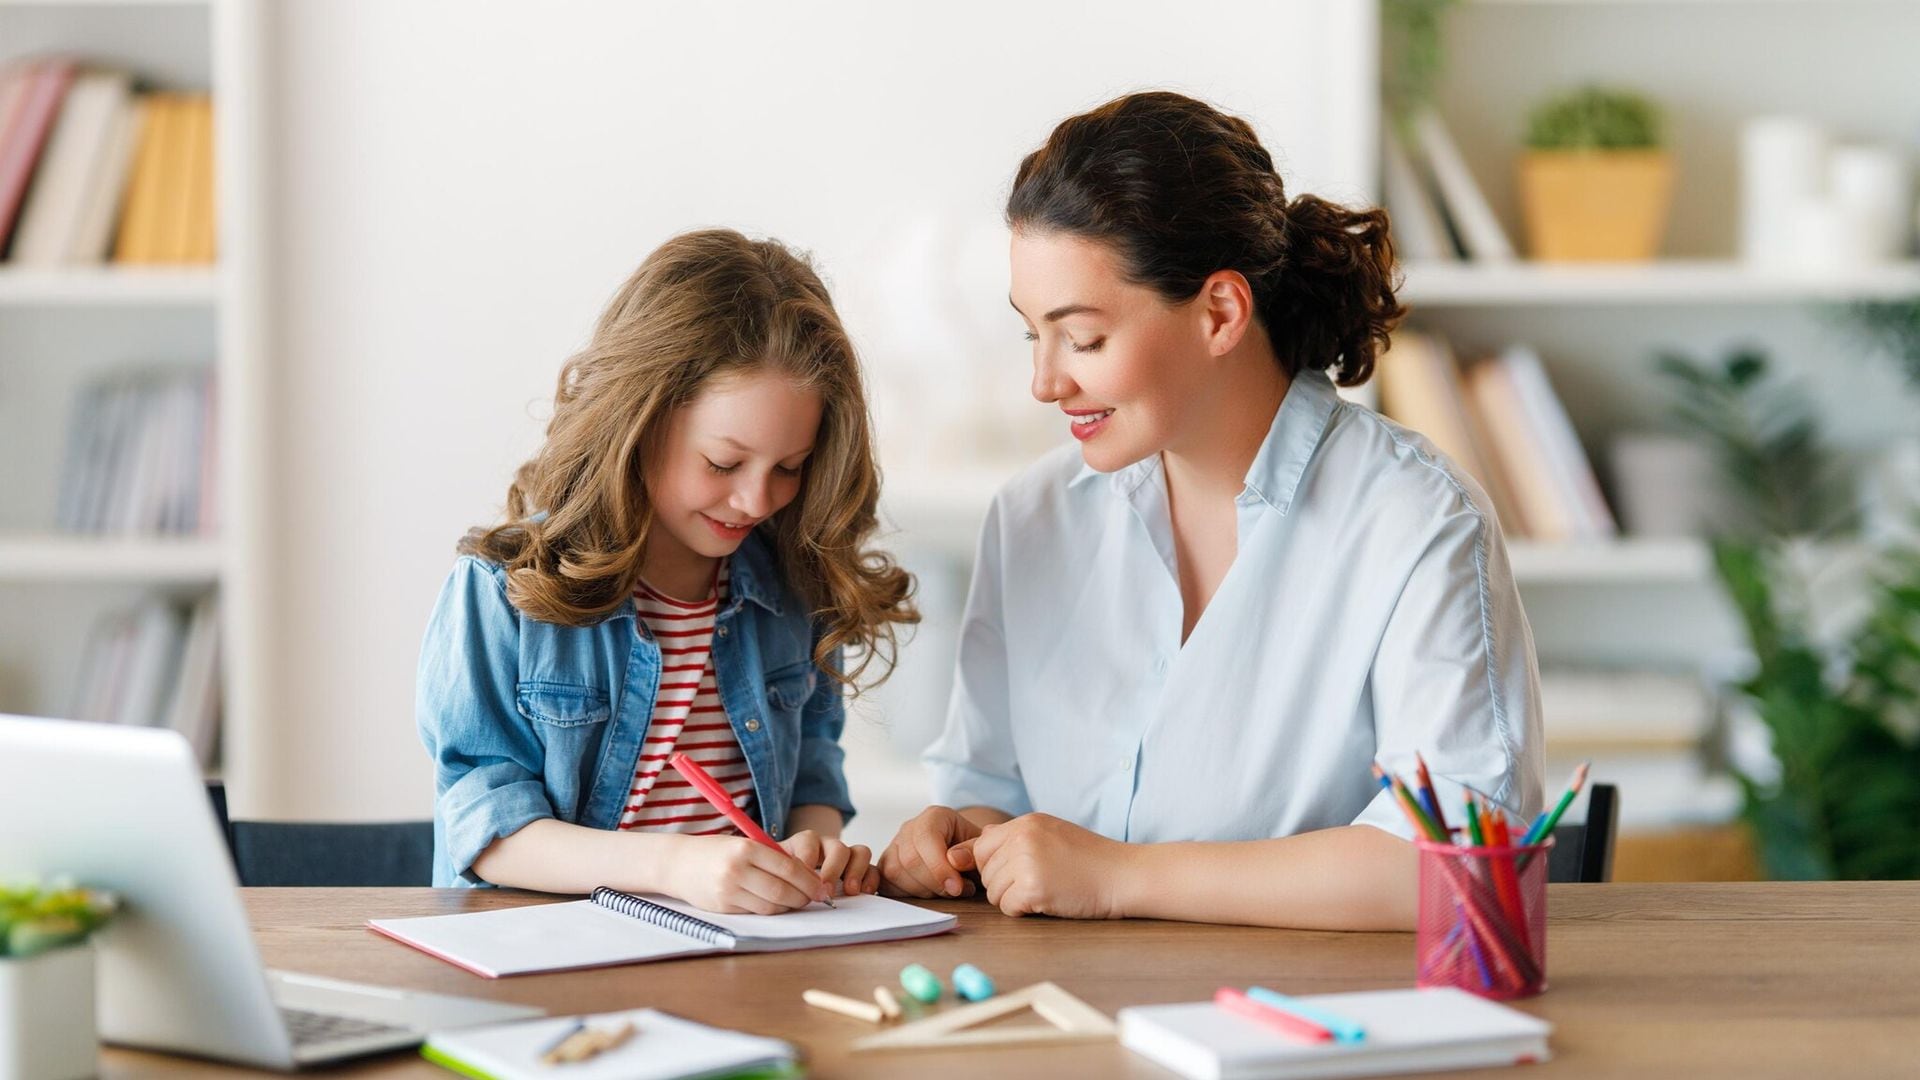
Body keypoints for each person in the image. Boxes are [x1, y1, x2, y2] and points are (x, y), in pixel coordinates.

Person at [879, 92, 1543, 930]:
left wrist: (1121, 878)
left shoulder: (1415, 521)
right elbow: (988, 800)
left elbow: (1463, 869)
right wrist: (956, 842)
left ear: (1220, 313)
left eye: (1081, 339)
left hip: (1310, 1037)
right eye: (1030, 337)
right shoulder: (1032, 519)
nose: (1045, 383)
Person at [419, 229, 917, 913]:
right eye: (723, 463)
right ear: (640, 420)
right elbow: (487, 830)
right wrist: (674, 864)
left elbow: (812, 780)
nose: (755, 500)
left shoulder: (793, 590)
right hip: (550, 964)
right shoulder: (502, 592)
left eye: (789, 468)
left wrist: (814, 848)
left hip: (738, 962)